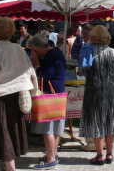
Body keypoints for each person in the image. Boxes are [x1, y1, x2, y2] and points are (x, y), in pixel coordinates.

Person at [0, 17, 36, 171]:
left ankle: (10, 167)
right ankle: (8, 166)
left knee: (4, 135)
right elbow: (30, 72)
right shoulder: (18, 49)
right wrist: (33, 91)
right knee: (10, 132)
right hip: (16, 96)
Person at [82, 25, 114, 165]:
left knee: (96, 122)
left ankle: (99, 155)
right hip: (112, 93)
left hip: (93, 92)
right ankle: (110, 154)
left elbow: (83, 72)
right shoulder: (112, 52)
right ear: (107, 37)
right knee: (110, 122)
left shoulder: (88, 51)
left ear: (92, 36)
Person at [27, 35, 67, 170]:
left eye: (35, 51)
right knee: (56, 128)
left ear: (40, 47)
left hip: (50, 95)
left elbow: (45, 75)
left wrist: (37, 65)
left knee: (48, 129)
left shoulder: (50, 56)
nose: (35, 54)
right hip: (59, 93)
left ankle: (50, 159)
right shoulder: (57, 52)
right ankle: (53, 155)